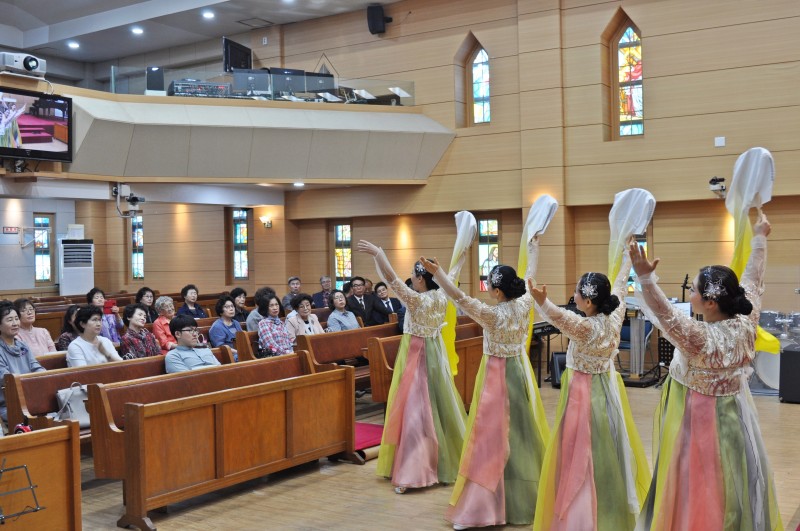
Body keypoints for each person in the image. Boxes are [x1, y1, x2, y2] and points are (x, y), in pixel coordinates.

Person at [630, 212, 782, 530]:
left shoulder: (699, 337)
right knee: (733, 477)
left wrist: (645, 279)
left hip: (700, 417)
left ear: (711, 303)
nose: (691, 295)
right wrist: (759, 239)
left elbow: (665, 314)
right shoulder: (747, 319)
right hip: (737, 414)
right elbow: (754, 280)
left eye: (695, 291)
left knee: (700, 480)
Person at [421, 243, 550, 529]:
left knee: (489, 436)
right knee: (520, 432)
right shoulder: (525, 302)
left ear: (498, 291)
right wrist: (534, 245)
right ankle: (525, 497)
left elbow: (459, 297)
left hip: (496, 376)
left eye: (490, 285)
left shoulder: (493, 315)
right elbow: (530, 272)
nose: (488, 289)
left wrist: (439, 274)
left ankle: (483, 505)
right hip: (520, 371)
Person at [531, 243, 650, 531]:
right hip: (608, 387)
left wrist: (542, 302)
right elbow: (620, 285)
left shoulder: (585, 327)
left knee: (580, 448)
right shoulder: (615, 314)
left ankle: (583, 513)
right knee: (607, 443)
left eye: (577, 292)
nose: (573, 295)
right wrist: (626, 262)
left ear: (587, 302)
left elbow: (557, 317)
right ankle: (612, 507)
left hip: (583, 391)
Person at [359, 241, 467, 496]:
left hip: (417, 354)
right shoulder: (442, 294)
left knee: (416, 412)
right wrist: (463, 242)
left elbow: (391, 279)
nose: (410, 277)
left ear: (420, 279)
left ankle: (413, 471)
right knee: (437, 408)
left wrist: (380, 254)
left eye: (413, 273)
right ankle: (441, 462)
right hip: (435, 352)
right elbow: (454, 270)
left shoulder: (417, 301)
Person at [0, 301, 45, 425]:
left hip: (31, 398)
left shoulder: (22, 345)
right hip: (9, 405)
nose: (15, 323)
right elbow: (6, 379)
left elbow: (36, 367)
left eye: (16, 319)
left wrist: (44, 376)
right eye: (9, 320)